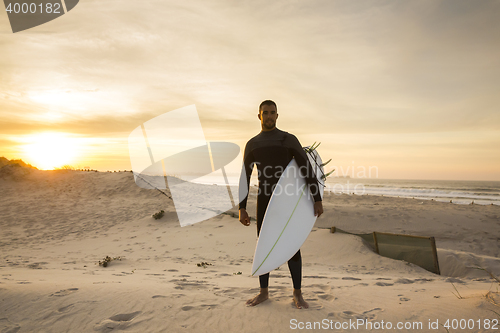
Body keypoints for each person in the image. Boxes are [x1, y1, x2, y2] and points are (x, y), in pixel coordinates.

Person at [239, 100, 323, 309]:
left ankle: (297, 293)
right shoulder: (253, 144)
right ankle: (264, 292)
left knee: (292, 245)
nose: (268, 116)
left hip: (288, 199)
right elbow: (245, 177)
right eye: (265, 113)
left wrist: (317, 198)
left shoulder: (288, 139)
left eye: (272, 113)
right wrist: (241, 207)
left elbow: (305, 169)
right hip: (265, 198)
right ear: (259, 116)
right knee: (264, 242)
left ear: (277, 116)